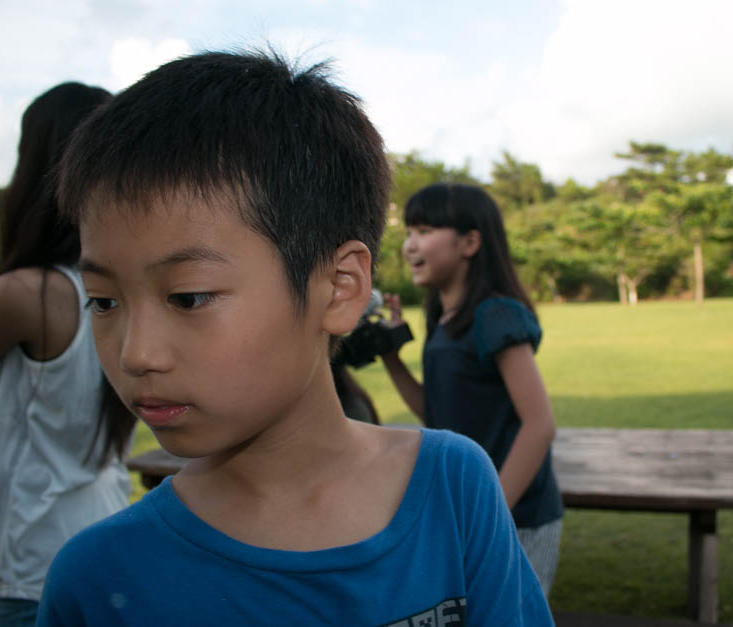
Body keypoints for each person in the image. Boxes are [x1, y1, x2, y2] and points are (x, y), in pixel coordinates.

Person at [36, 50, 552, 626]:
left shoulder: (454, 489)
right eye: (104, 301)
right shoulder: (98, 579)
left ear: (339, 287)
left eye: (188, 297)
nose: (136, 354)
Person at [0, 82, 136, 626]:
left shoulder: (27, 295)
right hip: (104, 536)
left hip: (32, 562)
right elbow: (4, 323)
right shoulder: (117, 287)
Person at [381, 182, 565, 596]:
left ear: (469, 242)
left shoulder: (495, 314)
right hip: (472, 509)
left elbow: (540, 424)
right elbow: (436, 412)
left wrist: (491, 512)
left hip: (519, 516)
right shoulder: (443, 317)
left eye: (424, 231)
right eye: (409, 232)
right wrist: (390, 354)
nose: (410, 245)